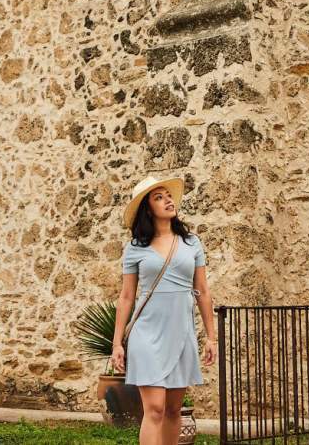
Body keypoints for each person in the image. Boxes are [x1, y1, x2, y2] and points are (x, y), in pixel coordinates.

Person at [111, 173, 216, 445]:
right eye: (159, 197)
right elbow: (126, 297)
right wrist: (117, 344)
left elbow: (203, 292)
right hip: (147, 332)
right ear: (148, 209)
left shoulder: (192, 243)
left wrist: (211, 337)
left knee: (172, 410)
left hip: (180, 333)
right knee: (155, 408)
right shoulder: (135, 248)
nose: (168, 200)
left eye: (168, 196)